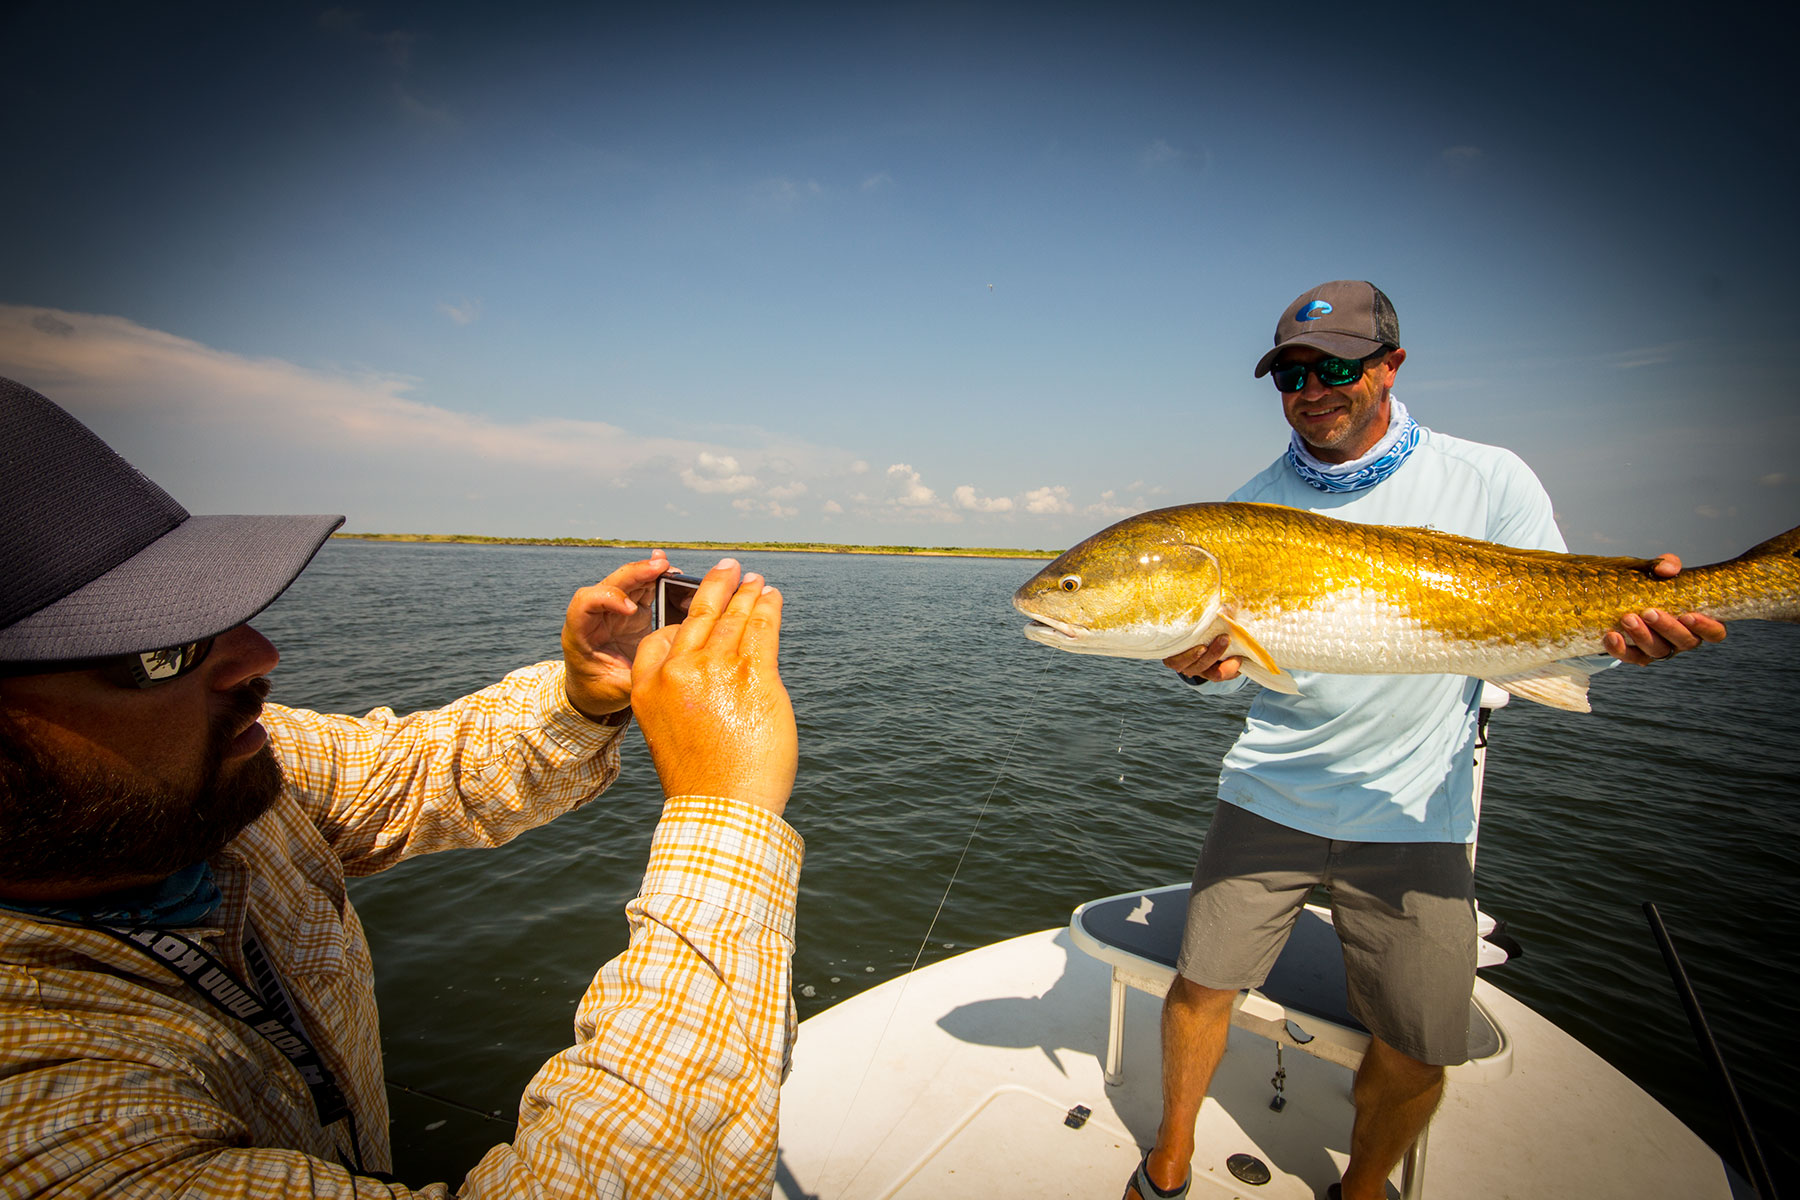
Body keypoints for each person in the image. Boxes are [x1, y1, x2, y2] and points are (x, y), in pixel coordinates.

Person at [0, 375, 802, 1197]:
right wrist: (726, 812)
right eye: (159, 654)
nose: (258, 658)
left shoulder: (219, 780)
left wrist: (580, 695)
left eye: (212, 612)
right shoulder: (35, 1117)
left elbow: (414, 774)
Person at [1123, 282, 1726, 1200]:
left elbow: (1558, 628)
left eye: (1335, 367)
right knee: (1199, 989)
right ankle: (1169, 1159)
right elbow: (1233, 661)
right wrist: (1197, 665)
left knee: (1417, 1041)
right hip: (1268, 793)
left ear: (1390, 365)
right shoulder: (1247, 511)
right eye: (1290, 372)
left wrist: (1625, 643)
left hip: (1418, 810)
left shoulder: (1490, 480)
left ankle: (1362, 1191)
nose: (1312, 389)